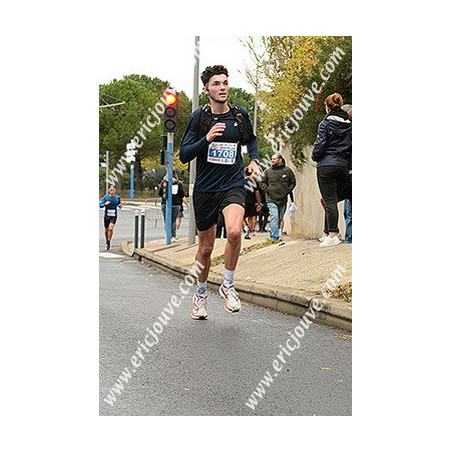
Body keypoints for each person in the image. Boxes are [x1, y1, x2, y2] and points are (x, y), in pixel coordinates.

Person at [180, 65, 259, 320]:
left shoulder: (239, 114)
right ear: (206, 90)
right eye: (216, 84)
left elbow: (251, 139)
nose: (222, 87)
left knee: (234, 232)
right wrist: (206, 139)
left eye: (225, 82)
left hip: (233, 184)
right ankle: (201, 293)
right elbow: (184, 155)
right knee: (205, 248)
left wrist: (254, 160)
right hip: (205, 189)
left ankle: (228, 284)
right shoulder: (199, 118)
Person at [312, 93, 351, 247]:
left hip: (326, 166)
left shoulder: (325, 123)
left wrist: (315, 156)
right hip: (343, 166)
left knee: (330, 201)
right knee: (332, 200)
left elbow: (320, 144)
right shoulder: (349, 124)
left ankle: (333, 234)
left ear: (328, 107)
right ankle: (328, 233)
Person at [260, 153, 296, 242]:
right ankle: (274, 237)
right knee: (274, 216)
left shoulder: (287, 171)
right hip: (271, 199)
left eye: (274, 159)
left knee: (279, 218)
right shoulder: (268, 171)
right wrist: (268, 189)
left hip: (283, 199)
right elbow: (262, 183)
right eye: (271, 159)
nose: (272, 160)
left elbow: (293, 182)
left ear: (280, 160)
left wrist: (287, 190)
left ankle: (276, 234)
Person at [159, 171, 187, 240]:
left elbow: (160, 193)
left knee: (167, 221)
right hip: (176, 204)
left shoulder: (164, 182)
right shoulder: (178, 183)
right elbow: (182, 195)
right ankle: (173, 236)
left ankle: (168, 236)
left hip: (165, 204)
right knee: (173, 221)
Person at [99, 186, 122, 250]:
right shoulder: (106, 197)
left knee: (111, 228)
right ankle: (107, 240)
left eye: (113, 190)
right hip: (107, 216)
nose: (112, 191)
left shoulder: (117, 197)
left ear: (115, 190)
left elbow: (119, 203)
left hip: (114, 215)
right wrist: (105, 204)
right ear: (108, 190)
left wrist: (120, 206)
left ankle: (109, 241)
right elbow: (100, 205)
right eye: (111, 190)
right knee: (106, 230)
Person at [243, 167, 261, 239]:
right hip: (252, 201)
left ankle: (245, 227)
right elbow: (257, 194)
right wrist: (259, 203)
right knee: (252, 216)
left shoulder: (241, 182)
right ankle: (252, 230)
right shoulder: (255, 182)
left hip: (243, 201)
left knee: (242, 217)